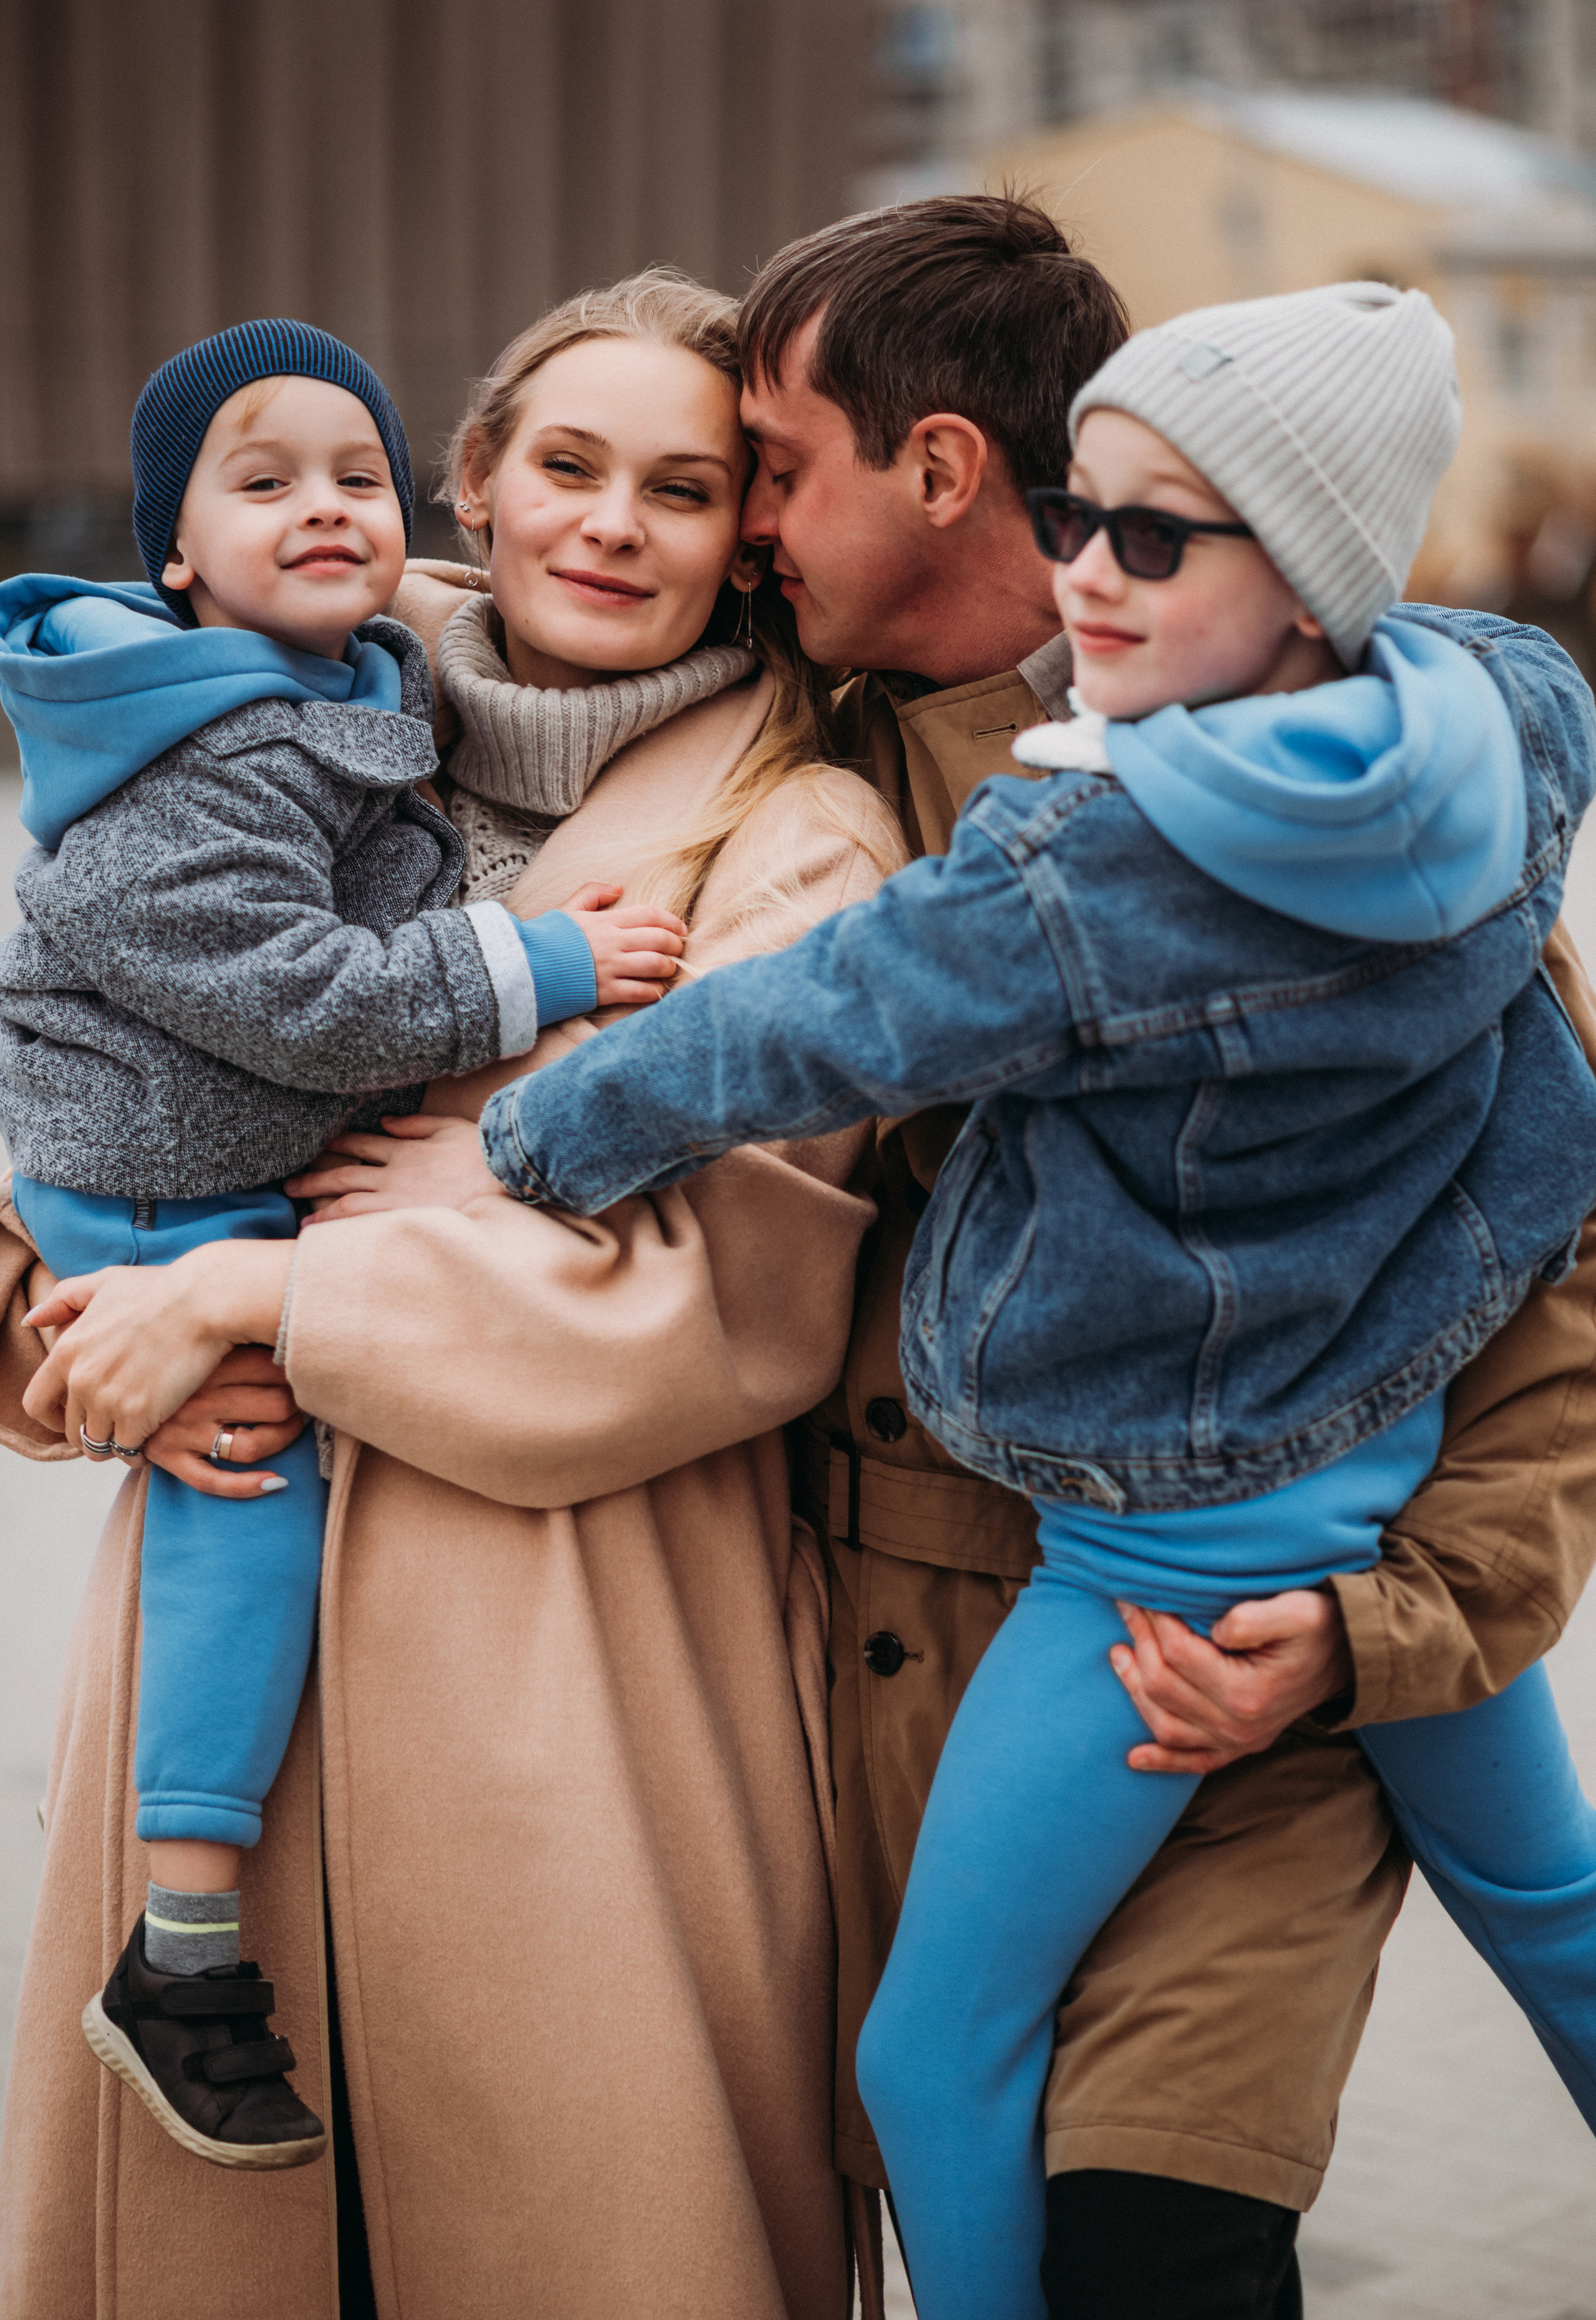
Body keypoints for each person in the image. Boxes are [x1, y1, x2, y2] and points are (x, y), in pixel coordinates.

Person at [465, 279, 1596, 2317]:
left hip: (1162, 1582)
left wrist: (532, 1142)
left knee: (994, 2112)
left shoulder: (1075, 856)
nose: (1096, 563)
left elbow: (803, 1025)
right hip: (1328, 1499)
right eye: (1091, 514)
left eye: (764, 474)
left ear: (935, 466)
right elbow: (1544, 1157)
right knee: (1562, 1914)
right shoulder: (1498, 741)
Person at [0, 274, 901, 2318]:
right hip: (225, 1674)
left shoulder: (795, 840)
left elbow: (724, 1308)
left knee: (576, 2228)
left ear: (743, 532)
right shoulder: (251, 719)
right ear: (471, 481)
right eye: (567, 465)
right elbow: (69, 1104)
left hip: (578, 1681)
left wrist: (272, 1293)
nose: (611, 523)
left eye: (682, 487)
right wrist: (96, 1347)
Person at [0, 318, 686, 2170]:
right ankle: (183, 1941)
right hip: (167, 1183)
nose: (323, 508)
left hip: (227, 1186)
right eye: (264, 478)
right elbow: (299, 997)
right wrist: (537, 961)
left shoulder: (337, 670)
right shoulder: (207, 740)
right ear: (171, 547)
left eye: (353, 477)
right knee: (251, 1488)